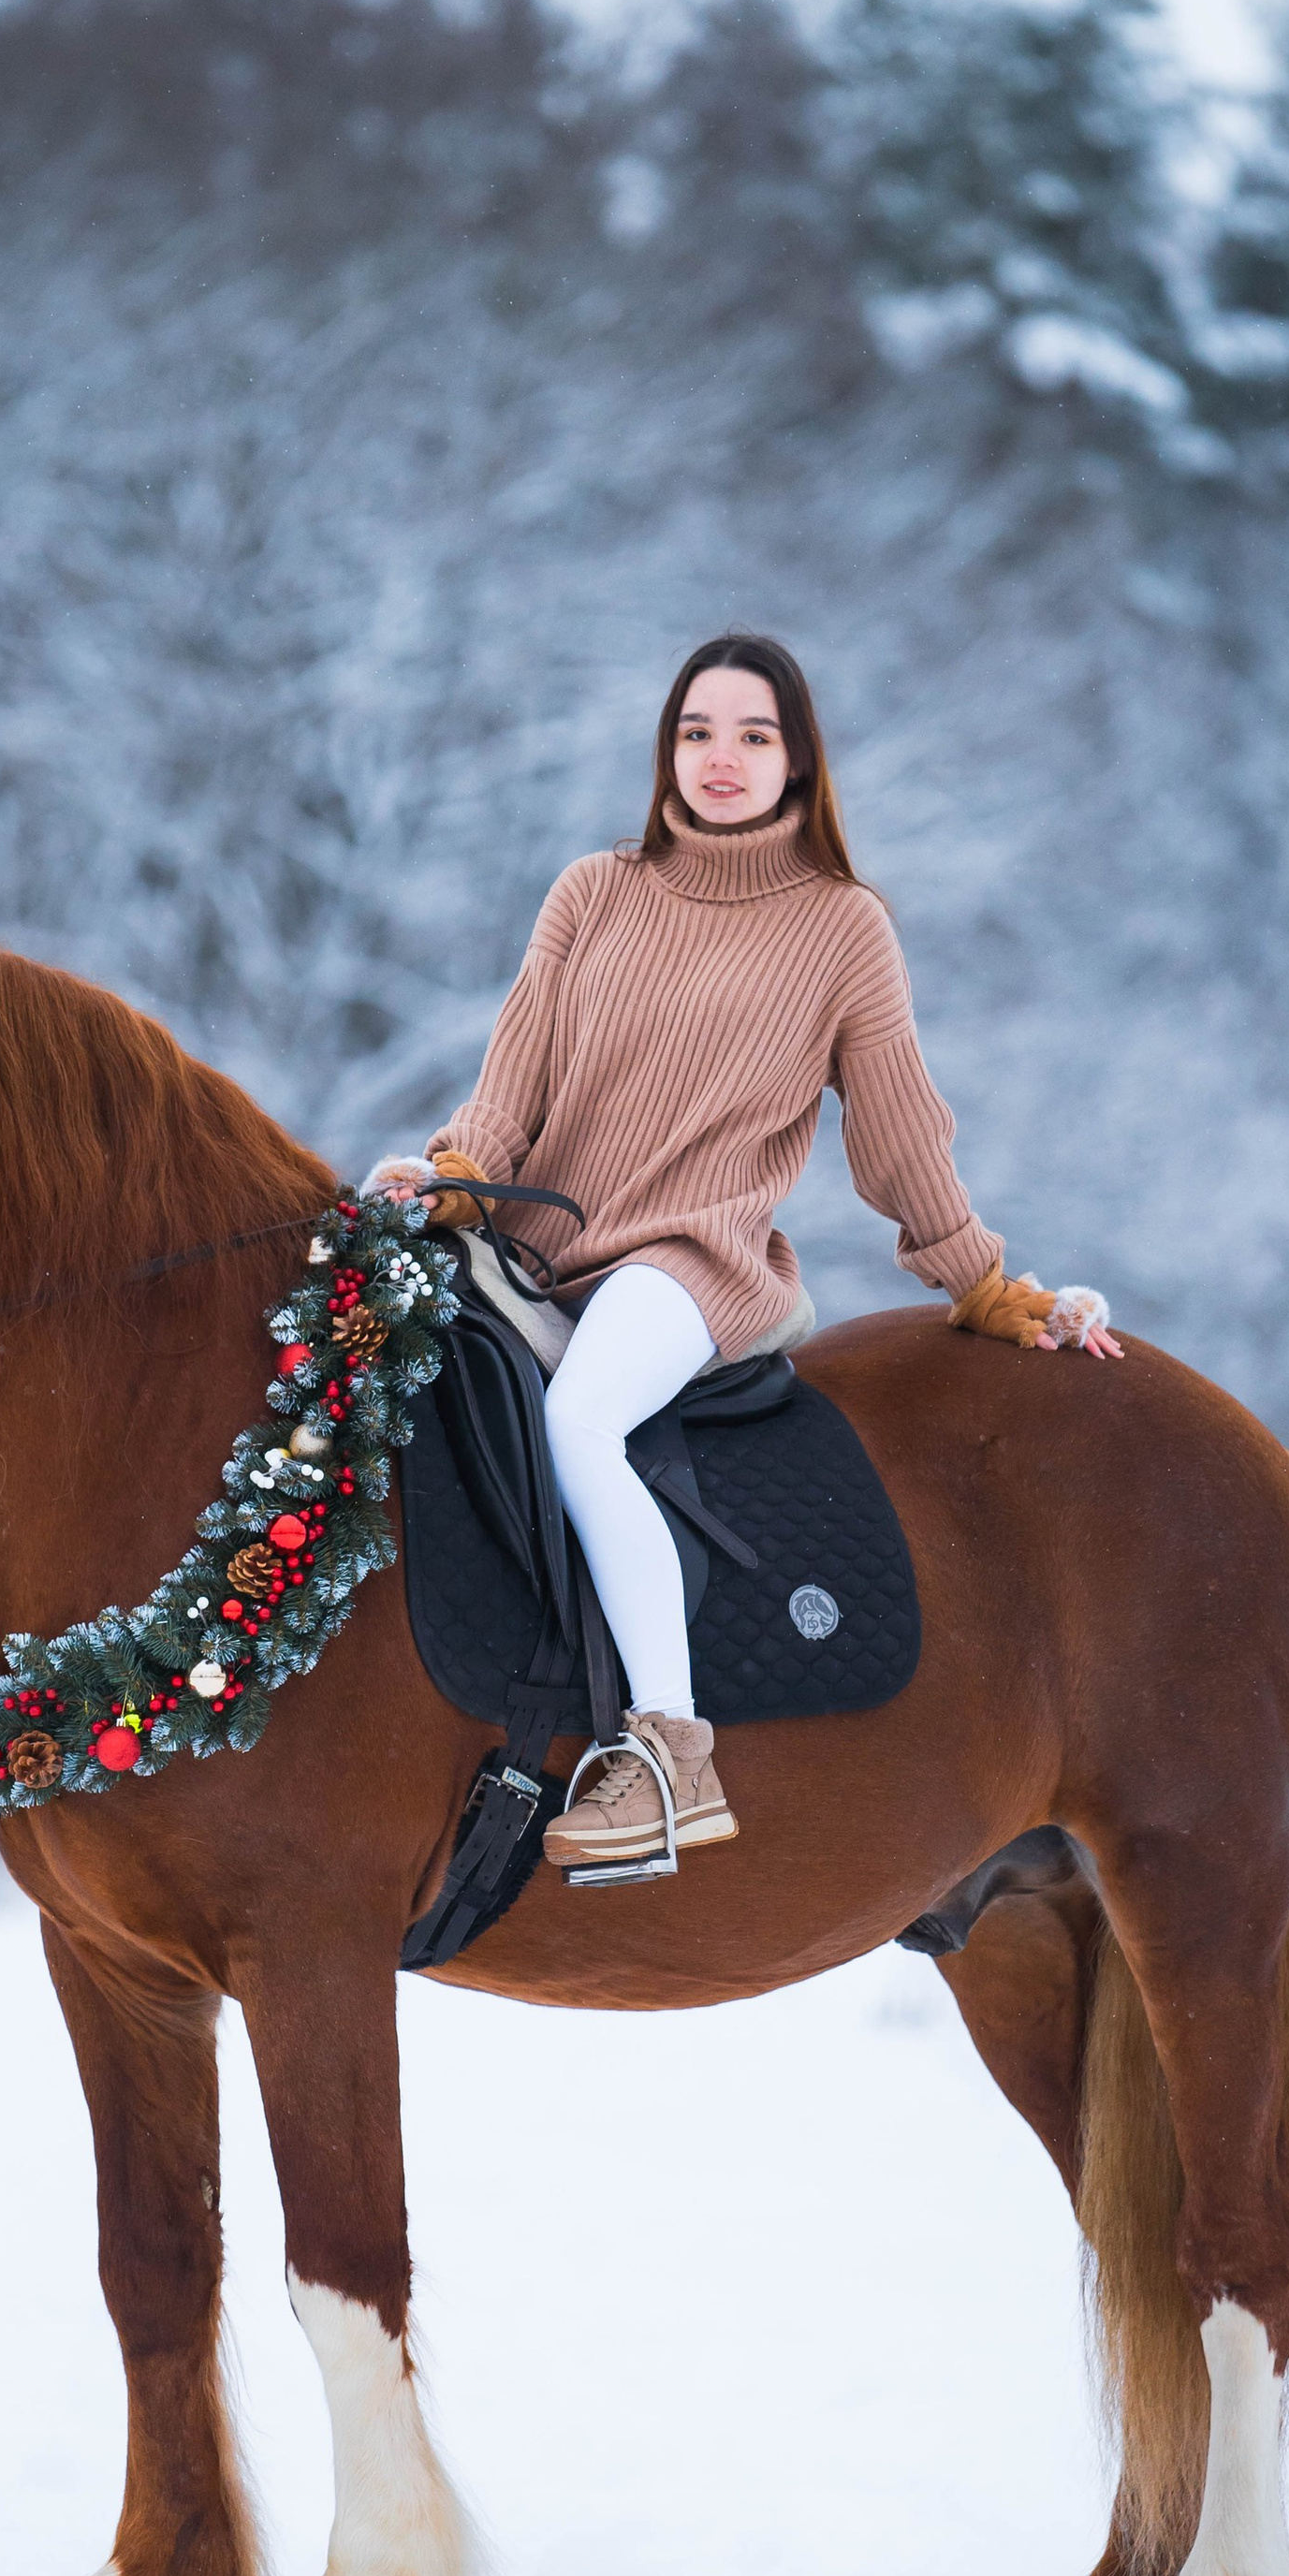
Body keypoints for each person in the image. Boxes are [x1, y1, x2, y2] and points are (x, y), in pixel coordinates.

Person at [370, 632, 1120, 1875]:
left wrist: (981, 1281)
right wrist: (447, 1175)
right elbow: (511, 1090)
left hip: (691, 1261)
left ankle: (670, 1754)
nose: (721, 760)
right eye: (697, 733)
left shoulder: (841, 929)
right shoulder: (592, 891)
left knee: (581, 1428)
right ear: (667, 750)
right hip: (537, 1243)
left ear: (800, 761)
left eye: (754, 737)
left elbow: (896, 1137)